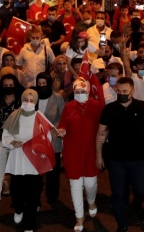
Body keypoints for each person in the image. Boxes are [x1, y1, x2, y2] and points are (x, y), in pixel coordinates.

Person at [96, 77, 144, 232]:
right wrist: (99, 155)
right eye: (119, 91)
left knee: (140, 189)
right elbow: (100, 133)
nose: (122, 93)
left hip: (137, 159)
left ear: (132, 91)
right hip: (115, 159)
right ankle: (122, 224)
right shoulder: (109, 109)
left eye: (125, 91)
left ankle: (137, 205)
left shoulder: (141, 106)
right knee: (119, 192)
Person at [57, 77, 102, 231]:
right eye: (77, 91)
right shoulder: (69, 106)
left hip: (91, 151)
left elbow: (102, 127)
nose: (80, 93)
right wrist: (62, 130)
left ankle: (91, 201)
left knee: (90, 184)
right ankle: (79, 218)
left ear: (88, 91)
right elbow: (63, 124)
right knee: (75, 185)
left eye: (83, 91)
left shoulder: (96, 106)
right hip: (72, 151)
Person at [1, 88, 48, 232]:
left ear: (36, 102)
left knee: (33, 194)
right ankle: (19, 208)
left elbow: (47, 137)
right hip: (18, 158)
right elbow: (5, 135)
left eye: (31, 100)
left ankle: (29, 224)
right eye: (26, 100)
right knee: (17, 190)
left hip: (34, 161)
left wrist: (38, 145)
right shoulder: (14, 116)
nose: (28, 103)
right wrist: (13, 142)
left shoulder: (40, 117)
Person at [0, 74, 24, 218]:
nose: (8, 88)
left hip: (16, 142)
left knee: (17, 174)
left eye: (11, 85)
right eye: (5, 85)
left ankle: (17, 202)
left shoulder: (22, 101)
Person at [35, 72, 65, 207]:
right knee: (36, 170)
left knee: (53, 171)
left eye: (44, 83)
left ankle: (52, 196)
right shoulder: (33, 96)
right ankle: (35, 197)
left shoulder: (57, 98)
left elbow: (62, 117)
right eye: (39, 83)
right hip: (35, 139)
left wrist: (57, 130)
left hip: (53, 138)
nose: (42, 86)